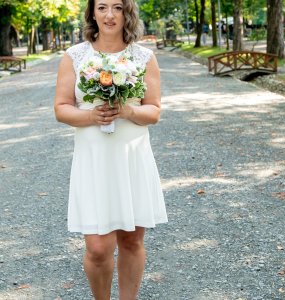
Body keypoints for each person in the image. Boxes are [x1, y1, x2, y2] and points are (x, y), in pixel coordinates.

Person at [54, 0, 168, 299]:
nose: (109, 15)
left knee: (131, 241)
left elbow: (153, 111)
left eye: (117, 7)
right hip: (94, 161)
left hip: (131, 157)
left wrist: (128, 111)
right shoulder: (75, 56)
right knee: (98, 248)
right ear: (92, 12)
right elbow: (62, 108)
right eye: (102, 7)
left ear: (126, 12)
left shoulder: (143, 57)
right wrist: (91, 116)